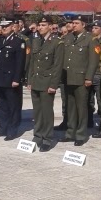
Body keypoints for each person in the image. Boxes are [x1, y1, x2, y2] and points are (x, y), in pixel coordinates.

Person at [58, 15, 100, 146]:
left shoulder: (90, 39)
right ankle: (70, 132)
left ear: (83, 25)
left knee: (81, 108)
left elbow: (93, 61)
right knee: (70, 107)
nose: (73, 25)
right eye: (73, 23)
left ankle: (81, 134)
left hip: (81, 78)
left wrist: (89, 78)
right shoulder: (67, 38)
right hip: (68, 77)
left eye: (76, 23)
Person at [27, 15, 64, 152]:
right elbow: (32, 62)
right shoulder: (36, 41)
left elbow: (57, 66)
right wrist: (30, 80)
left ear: (50, 26)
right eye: (39, 25)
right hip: (36, 81)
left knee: (47, 112)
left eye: (43, 25)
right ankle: (38, 135)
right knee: (37, 111)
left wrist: (53, 85)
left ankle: (47, 138)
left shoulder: (57, 42)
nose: (40, 28)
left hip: (47, 82)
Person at [0, 17, 26, 140]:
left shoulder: (18, 42)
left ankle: (13, 128)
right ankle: (3, 126)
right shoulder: (0, 40)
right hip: (0, 78)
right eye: (3, 26)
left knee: (13, 105)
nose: (4, 28)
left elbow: (19, 63)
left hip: (11, 79)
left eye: (6, 26)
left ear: (13, 27)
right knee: (1, 104)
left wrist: (17, 79)